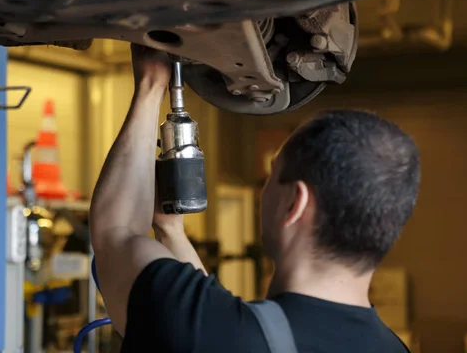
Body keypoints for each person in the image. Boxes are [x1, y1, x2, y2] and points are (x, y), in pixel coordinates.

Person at [89, 45, 421, 353]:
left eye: (273, 175)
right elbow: (221, 320)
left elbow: (115, 234)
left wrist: (151, 85)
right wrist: (171, 231)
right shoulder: (394, 347)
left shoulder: (210, 329)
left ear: (295, 203)